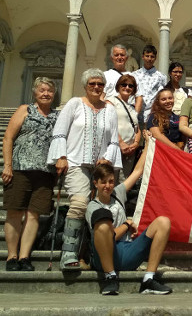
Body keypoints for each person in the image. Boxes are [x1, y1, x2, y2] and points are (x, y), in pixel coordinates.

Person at [47, 68, 123, 270]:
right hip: (75, 163)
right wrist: (61, 157)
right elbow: (60, 132)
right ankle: (68, 253)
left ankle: (87, 255)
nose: (96, 87)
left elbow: (114, 140)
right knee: (80, 204)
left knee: (96, 211)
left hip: (101, 168)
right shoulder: (74, 104)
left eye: (100, 84)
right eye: (92, 84)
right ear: (85, 86)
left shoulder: (110, 110)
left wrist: (107, 159)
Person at [86, 141, 172, 295]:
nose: (108, 185)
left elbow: (137, 171)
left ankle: (149, 279)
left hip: (126, 251)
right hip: (104, 256)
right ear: (96, 184)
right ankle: (110, 277)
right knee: (104, 223)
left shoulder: (117, 193)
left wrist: (148, 144)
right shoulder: (92, 206)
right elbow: (110, 235)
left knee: (163, 222)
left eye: (111, 181)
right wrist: (127, 224)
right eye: (103, 182)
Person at [2, 77, 59, 271]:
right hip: (20, 168)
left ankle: (25, 256)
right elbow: (9, 137)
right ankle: (12, 256)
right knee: (15, 212)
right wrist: (7, 165)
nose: (46, 93)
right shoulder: (25, 110)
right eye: (42, 90)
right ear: (35, 92)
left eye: (49, 91)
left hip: (45, 171)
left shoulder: (56, 116)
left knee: (34, 215)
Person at [108, 74, 141, 182]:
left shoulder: (132, 107)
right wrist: (121, 142)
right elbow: (109, 124)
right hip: (115, 148)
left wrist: (135, 143)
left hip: (130, 151)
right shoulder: (111, 101)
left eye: (130, 86)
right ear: (118, 86)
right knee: (110, 180)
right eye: (124, 84)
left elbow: (137, 128)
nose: (127, 87)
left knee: (123, 183)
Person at [131, 45, 167, 121]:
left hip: (153, 116)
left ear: (155, 58)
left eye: (152, 56)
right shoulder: (134, 75)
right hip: (137, 115)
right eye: (147, 56)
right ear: (142, 57)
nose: (149, 59)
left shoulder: (161, 77)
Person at [102, 44, 139, 109]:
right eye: (116, 55)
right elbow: (101, 97)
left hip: (128, 113)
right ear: (111, 58)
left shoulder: (134, 77)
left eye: (122, 55)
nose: (119, 57)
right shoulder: (105, 75)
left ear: (126, 58)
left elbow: (139, 98)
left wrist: (134, 115)